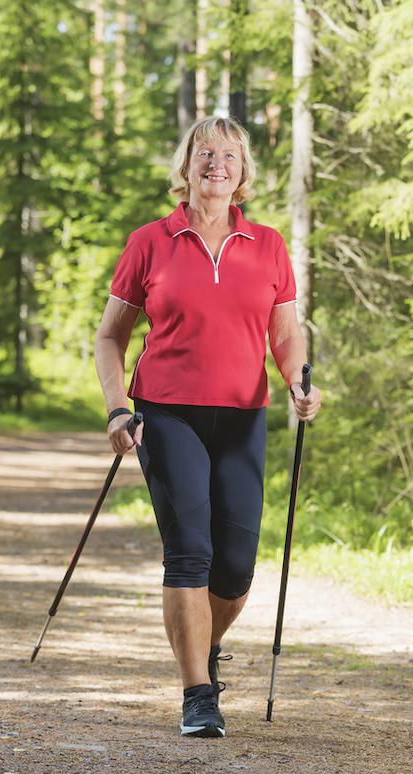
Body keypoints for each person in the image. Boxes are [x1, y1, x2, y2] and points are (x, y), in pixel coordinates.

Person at [93, 116, 321, 738]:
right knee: (189, 554)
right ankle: (198, 692)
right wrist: (118, 408)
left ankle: (202, 645)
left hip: (244, 415)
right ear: (186, 166)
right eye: (203, 153)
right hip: (168, 411)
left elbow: (285, 333)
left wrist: (300, 381)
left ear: (243, 173)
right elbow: (111, 336)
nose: (215, 163)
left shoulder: (269, 245)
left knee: (236, 568)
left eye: (228, 155)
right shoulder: (151, 241)